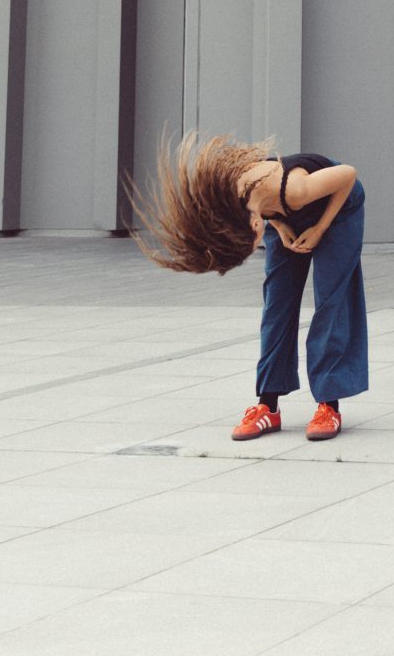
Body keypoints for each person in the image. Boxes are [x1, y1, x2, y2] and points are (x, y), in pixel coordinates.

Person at [131, 133, 367, 441]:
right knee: (277, 302)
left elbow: (348, 175)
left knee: (330, 300)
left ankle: (328, 405)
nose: (255, 247)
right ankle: (268, 406)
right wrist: (280, 225)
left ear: (255, 225)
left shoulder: (296, 190)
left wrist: (320, 228)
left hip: (337, 203)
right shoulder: (235, 199)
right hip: (283, 208)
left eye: (251, 244)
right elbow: (265, 206)